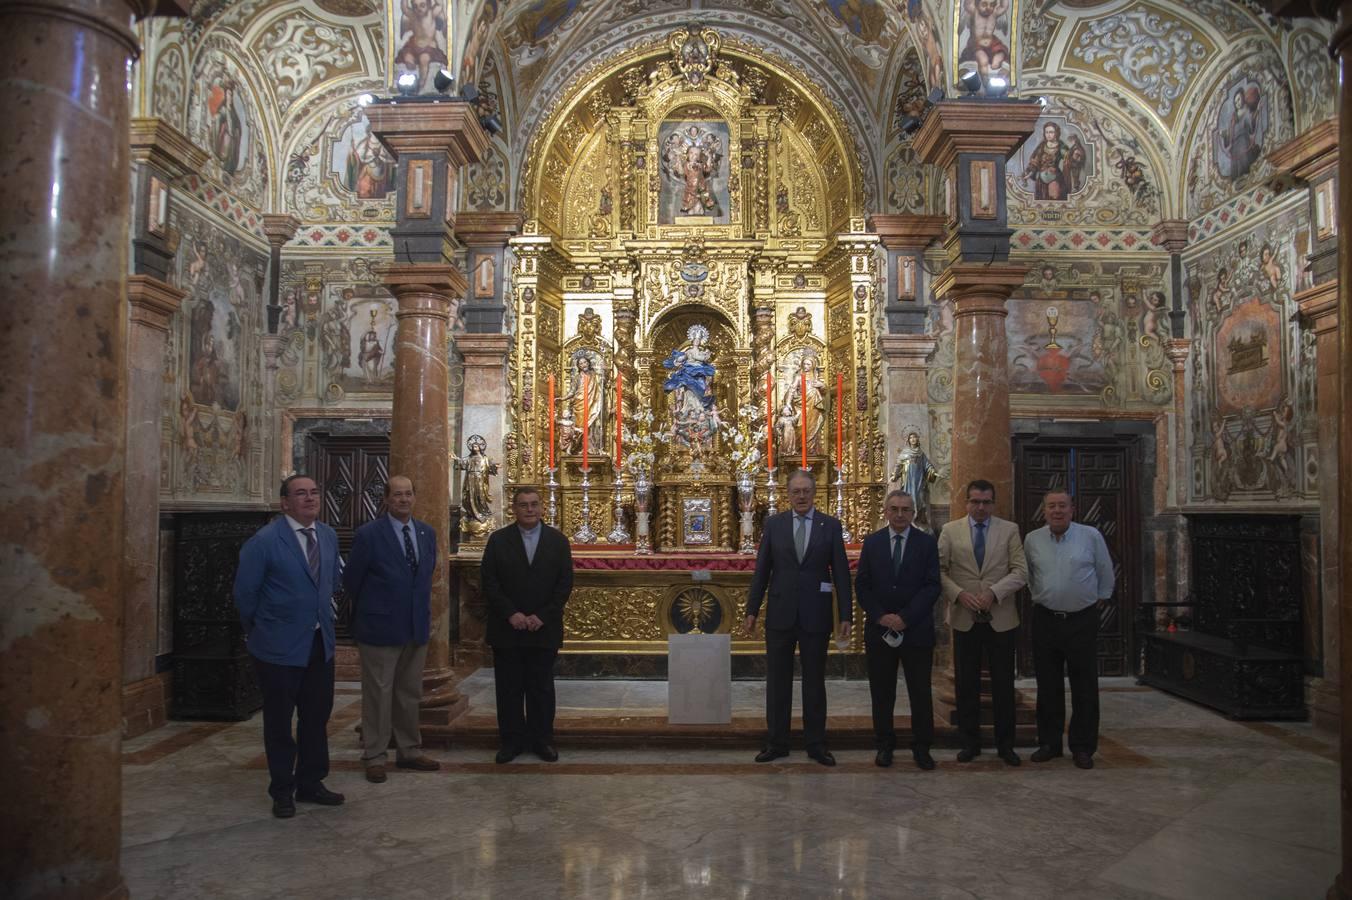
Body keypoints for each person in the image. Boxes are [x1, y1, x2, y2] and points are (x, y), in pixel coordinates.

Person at [233, 475, 343, 818]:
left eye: (314, 492)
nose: (310, 499)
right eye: (300, 494)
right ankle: (282, 790)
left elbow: (331, 585)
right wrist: (263, 630)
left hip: (318, 645)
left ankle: (311, 782)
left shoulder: (326, 535)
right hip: (278, 647)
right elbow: (245, 596)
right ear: (285, 503)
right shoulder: (264, 541)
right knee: (280, 722)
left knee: (315, 717)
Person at [744, 470, 853, 766]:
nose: (801, 496)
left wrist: (846, 614)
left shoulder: (829, 525)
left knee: (814, 681)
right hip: (780, 613)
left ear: (814, 493)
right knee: (778, 681)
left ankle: (816, 743)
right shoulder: (774, 524)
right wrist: (752, 609)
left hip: (816, 615)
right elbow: (762, 570)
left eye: (806, 491)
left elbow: (841, 573)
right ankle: (776, 742)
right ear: (788, 494)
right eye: (796, 491)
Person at [343, 475, 441, 784]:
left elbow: (424, 578)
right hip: (379, 626)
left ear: (415, 497)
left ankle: (409, 750)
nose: (403, 499)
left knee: (409, 692)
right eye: (397, 495)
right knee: (378, 694)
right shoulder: (369, 535)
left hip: (415, 625)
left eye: (408, 494)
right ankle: (374, 755)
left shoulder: (426, 533)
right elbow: (351, 582)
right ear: (386, 499)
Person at [480, 486, 574, 763]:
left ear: (542, 507)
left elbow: (564, 584)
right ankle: (510, 741)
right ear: (514, 508)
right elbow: (490, 582)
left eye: (534, 504)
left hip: (543, 628)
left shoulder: (558, 541)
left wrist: (542, 615)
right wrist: (512, 614)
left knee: (541, 687)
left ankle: (542, 739)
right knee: (508, 688)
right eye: (523, 505)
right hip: (507, 628)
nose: (529, 509)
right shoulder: (498, 540)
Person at [938, 478, 1027, 766]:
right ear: (966, 502)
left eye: (986, 502)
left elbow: (1020, 571)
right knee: (966, 684)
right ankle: (969, 742)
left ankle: (1006, 745)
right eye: (975, 501)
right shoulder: (950, 531)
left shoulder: (1009, 530)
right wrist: (959, 594)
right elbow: (938, 570)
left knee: (1002, 684)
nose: (980, 507)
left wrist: (993, 592)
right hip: (965, 616)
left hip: (1000, 617)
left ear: (993, 503)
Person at [1024, 490, 1114, 770]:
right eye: (1051, 506)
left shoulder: (1090, 536)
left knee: (1084, 685)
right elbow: (1027, 574)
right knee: (1047, 686)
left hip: (1081, 621)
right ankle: (1049, 743)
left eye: (1062, 505)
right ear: (1044, 511)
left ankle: (1083, 747)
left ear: (1073, 509)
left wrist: (1093, 600)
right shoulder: (1033, 539)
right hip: (1046, 619)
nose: (1057, 511)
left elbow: (1105, 572)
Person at [855, 491, 941, 770]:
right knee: (882, 692)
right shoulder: (873, 543)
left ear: (913, 513)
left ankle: (922, 746)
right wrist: (881, 616)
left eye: (905, 509)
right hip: (880, 630)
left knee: (919, 691)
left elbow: (932, 586)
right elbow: (863, 585)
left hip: (916, 630)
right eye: (895, 509)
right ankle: (884, 744)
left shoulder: (926, 544)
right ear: (885, 512)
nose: (900, 514)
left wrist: (905, 617)